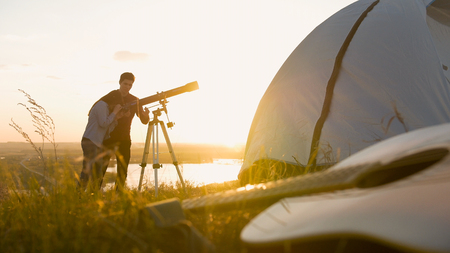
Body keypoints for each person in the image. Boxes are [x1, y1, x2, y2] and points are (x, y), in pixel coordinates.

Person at [101, 72, 150, 191]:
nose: (127, 87)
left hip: (124, 139)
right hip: (108, 138)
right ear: (120, 82)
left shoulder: (135, 100)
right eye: (125, 84)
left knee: (122, 170)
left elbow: (144, 120)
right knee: (101, 168)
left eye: (130, 85)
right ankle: (94, 193)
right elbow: (96, 111)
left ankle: (119, 195)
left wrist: (145, 115)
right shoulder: (110, 96)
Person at [79, 90, 123, 192]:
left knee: (97, 173)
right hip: (90, 141)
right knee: (87, 171)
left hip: (96, 142)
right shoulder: (101, 106)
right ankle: (79, 194)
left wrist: (116, 118)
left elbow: (106, 129)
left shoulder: (106, 108)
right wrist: (114, 112)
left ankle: (92, 195)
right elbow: (103, 123)